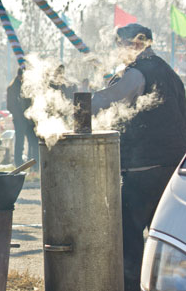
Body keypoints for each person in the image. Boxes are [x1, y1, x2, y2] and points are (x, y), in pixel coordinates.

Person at [91, 23, 186, 291]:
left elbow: (105, 102)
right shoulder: (170, 73)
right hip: (172, 171)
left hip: (143, 171)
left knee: (128, 240)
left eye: (122, 44)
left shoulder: (136, 74)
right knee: (165, 239)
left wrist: (75, 101)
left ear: (136, 43)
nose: (119, 50)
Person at [6, 68, 39, 169]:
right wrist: (20, 115)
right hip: (19, 120)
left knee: (34, 142)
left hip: (30, 119)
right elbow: (10, 106)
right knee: (19, 144)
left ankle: (35, 166)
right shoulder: (12, 88)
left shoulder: (29, 86)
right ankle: (19, 165)